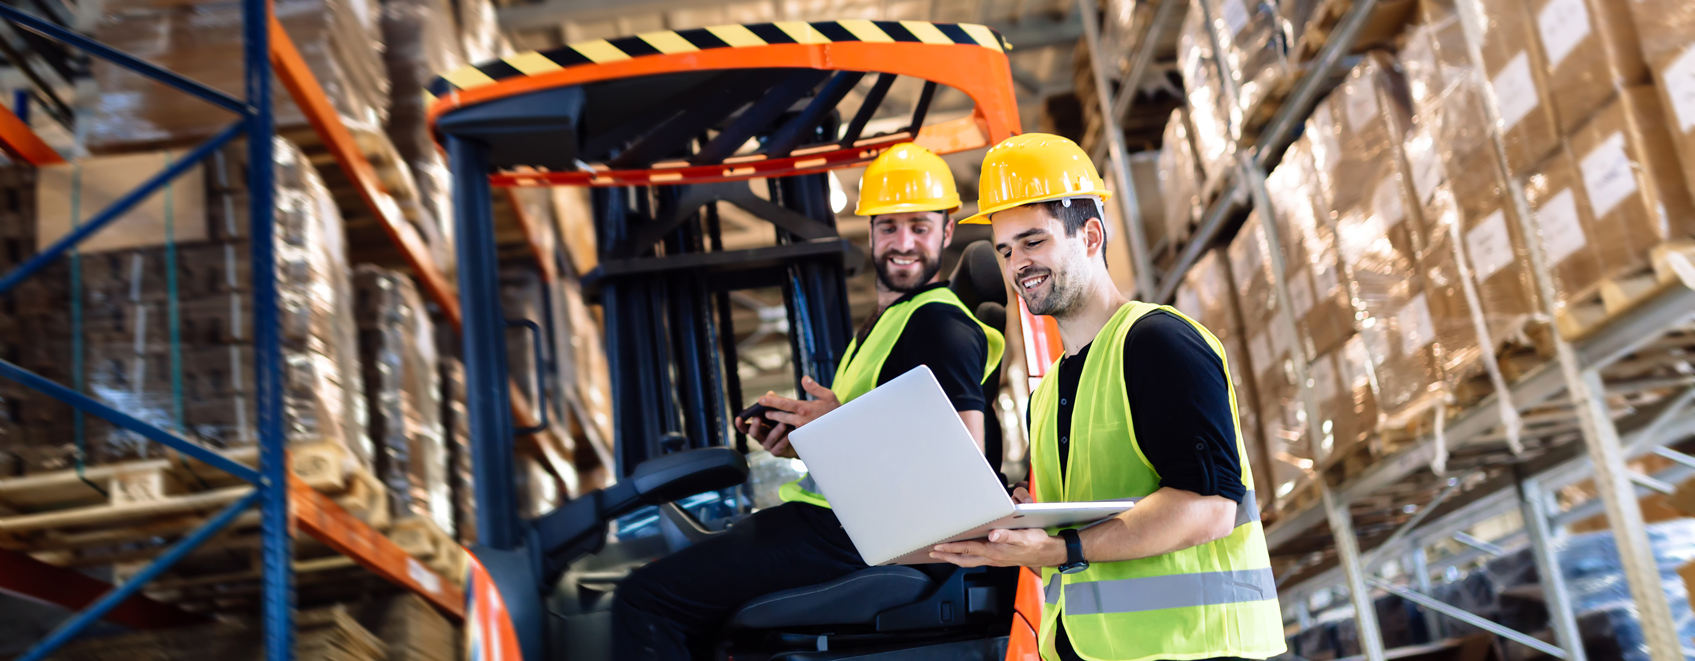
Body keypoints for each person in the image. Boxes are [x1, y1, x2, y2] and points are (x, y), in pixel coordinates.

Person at [613, 143, 1006, 660]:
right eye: (888, 227)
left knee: (644, 600)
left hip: (850, 535)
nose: (903, 243)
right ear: (869, 232)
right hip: (841, 521)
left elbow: (961, 474)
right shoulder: (884, 326)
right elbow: (880, 449)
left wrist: (838, 427)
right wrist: (806, 441)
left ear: (947, 232)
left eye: (919, 226)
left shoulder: (940, 324)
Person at [927, 134, 1284, 661]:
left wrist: (1060, 545)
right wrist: (1018, 536)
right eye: (1005, 250)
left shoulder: (1157, 343)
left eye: (1033, 241)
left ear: (1091, 236)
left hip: (1197, 649)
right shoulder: (1045, 394)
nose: (1017, 264)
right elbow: (1070, 552)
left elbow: (1209, 509)